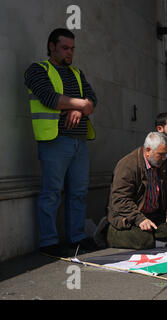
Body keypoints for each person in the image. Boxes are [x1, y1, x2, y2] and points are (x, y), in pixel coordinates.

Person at [24, 28, 98, 256]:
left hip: (79, 141)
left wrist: (82, 108)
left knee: (78, 192)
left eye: (72, 49)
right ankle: (48, 242)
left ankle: (76, 237)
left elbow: (92, 99)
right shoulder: (37, 70)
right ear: (51, 47)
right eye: (65, 48)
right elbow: (49, 98)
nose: (69, 53)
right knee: (52, 192)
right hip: (54, 140)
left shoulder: (77, 73)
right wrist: (80, 105)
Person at [106, 132, 167, 250]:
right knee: (143, 240)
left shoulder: (162, 163)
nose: (164, 158)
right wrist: (139, 219)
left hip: (153, 214)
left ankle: (152, 237)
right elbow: (120, 200)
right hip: (130, 216)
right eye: (161, 154)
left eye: (166, 155)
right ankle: (112, 233)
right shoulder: (128, 165)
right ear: (148, 151)